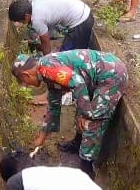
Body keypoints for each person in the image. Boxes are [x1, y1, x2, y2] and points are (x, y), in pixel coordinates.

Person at [11, 50, 128, 178]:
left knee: (92, 122)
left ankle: (87, 170)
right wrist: (41, 138)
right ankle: (77, 144)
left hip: (112, 75)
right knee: (81, 112)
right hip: (97, 77)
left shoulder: (47, 69)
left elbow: (78, 83)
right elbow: (53, 107)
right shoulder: (45, 72)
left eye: (24, 82)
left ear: (26, 74)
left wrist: (86, 114)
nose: (27, 86)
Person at [8, 0, 93, 54]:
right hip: (81, 8)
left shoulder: (37, 20)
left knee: (68, 57)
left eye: (21, 21)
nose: (22, 24)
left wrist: (47, 62)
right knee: (79, 49)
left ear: (26, 16)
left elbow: (46, 44)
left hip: (81, 21)